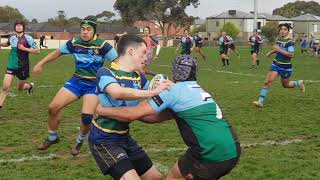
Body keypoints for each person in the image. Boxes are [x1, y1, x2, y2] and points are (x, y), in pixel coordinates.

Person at [96, 55, 241, 180]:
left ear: (175, 71)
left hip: (208, 153)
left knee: (173, 177)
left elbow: (132, 114)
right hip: (232, 150)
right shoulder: (199, 90)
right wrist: (139, 113)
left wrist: (102, 110)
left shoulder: (172, 91)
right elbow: (150, 118)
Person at [89, 34, 171, 180]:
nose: (147, 57)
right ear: (131, 51)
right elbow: (116, 93)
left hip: (125, 137)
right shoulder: (106, 72)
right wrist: (152, 92)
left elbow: (154, 94)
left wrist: (167, 87)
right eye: (144, 52)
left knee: (155, 177)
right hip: (104, 140)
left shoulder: (138, 77)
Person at [33, 19, 118, 156]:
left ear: (94, 31)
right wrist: (40, 63)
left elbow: (118, 61)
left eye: (88, 29)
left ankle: (79, 140)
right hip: (76, 81)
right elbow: (56, 53)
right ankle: (52, 137)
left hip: (93, 85)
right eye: (82, 29)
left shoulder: (103, 45)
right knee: (53, 107)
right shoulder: (74, 42)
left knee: (86, 117)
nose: (85, 32)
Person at [253, 23, 305, 107]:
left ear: (288, 31)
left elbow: (291, 54)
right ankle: (260, 101)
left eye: (285, 29)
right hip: (276, 65)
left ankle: (299, 83)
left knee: (286, 85)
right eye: (281, 29)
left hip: (286, 67)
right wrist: (270, 52)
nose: (283, 31)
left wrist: (279, 50)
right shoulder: (278, 40)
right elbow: (277, 49)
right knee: (267, 82)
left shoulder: (289, 42)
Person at [0, 20, 40, 109]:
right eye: (17, 25)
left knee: (20, 88)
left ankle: (30, 86)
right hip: (11, 65)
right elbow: (6, 44)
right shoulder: (12, 37)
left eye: (20, 25)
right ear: (15, 27)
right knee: (5, 88)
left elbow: (37, 51)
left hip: (23, 67)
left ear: (23, 27)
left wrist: (24, 48)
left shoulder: (28, 38)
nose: (18, 27)